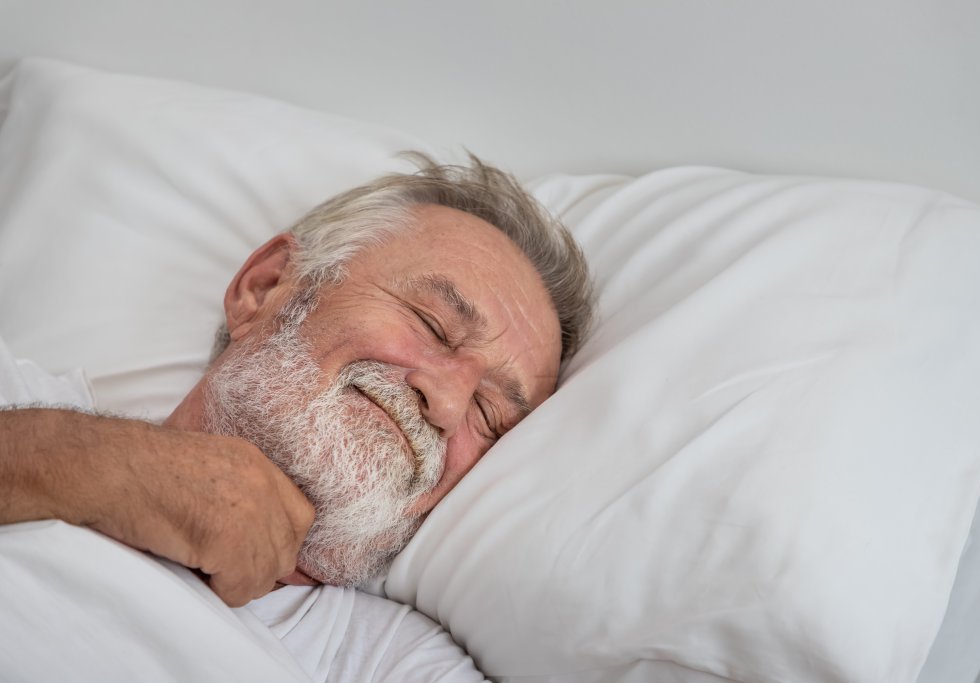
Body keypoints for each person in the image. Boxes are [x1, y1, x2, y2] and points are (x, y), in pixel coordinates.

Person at [0, 155, 594, 680]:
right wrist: (91, 465)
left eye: (489, 413)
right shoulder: (17, 401)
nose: (445, 402)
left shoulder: (386, 663)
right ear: (264, 288)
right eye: (432, 325)